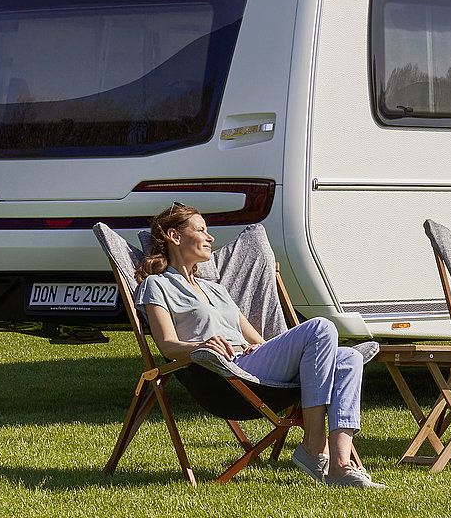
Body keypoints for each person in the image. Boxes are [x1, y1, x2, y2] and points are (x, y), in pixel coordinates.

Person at [137, 204, 384, 489]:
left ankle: (340, 466)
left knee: (349, 357)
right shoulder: (157, 285)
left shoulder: (215, 289)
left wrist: (258, 347)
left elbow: (256, 339)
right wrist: (200, 345)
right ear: (174, 236)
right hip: (223, 374)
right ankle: (315, 447)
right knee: (321, 327)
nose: (210, 237)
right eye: (201, 230)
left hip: (252, 363)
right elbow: (167, 346)